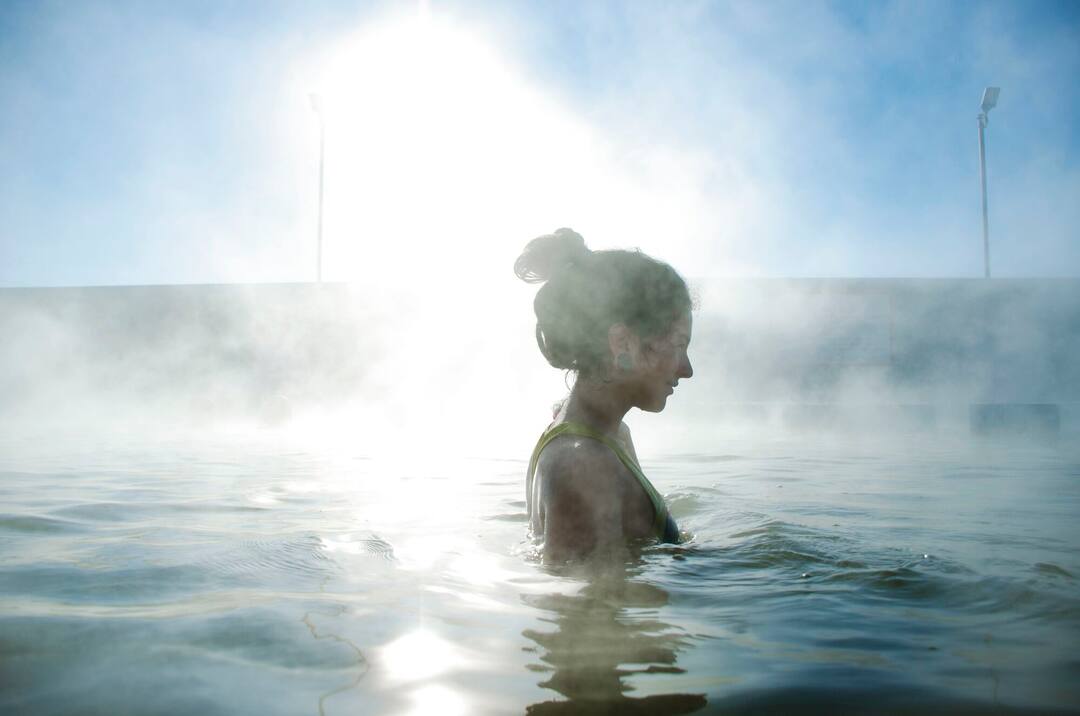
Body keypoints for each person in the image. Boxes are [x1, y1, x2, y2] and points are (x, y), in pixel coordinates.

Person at [516, 228, 694, 563]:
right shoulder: (583, 467)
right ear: (623, 343)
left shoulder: (604, 437)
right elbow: (586, 611)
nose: (687, 369)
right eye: (679, 345)